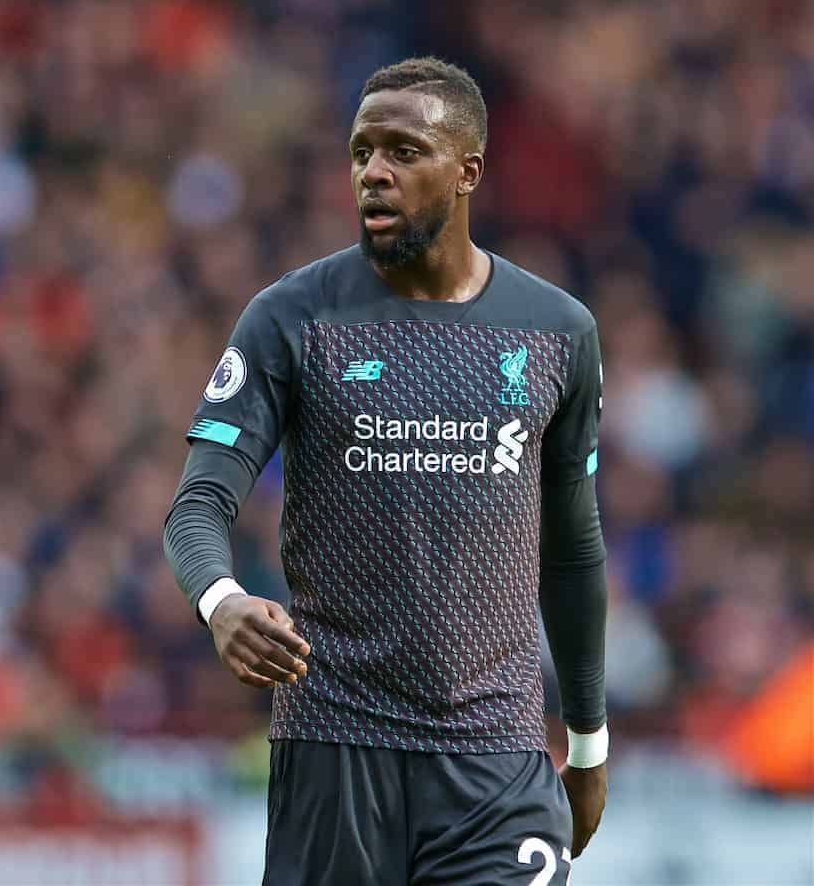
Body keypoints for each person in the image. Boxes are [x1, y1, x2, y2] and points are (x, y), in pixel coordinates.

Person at [164, 56, 608, 885]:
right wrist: (220, 602)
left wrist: (587, 742)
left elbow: (574, 548)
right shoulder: (293, 317)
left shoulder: (556, 331)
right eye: (362, 151)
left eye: (404, 152)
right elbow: (197, 505)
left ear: (467, 170)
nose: (374, 171)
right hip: (336, 744)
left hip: (496, 756)